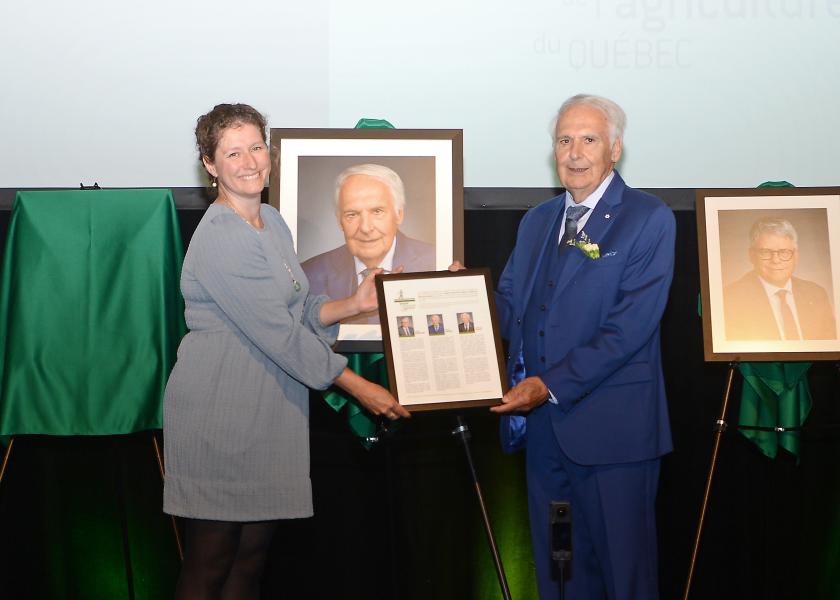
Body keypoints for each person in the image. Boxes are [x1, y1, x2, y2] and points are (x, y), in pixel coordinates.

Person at [163, 103, 409, 600]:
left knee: (249, 563)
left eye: (257, 147)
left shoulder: (271, 221)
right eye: (233, 152)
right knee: (210, 566)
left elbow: (296, 309)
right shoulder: (221, 235)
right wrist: (359, 386)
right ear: (210, 164)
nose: (250, 161)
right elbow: (279, 334)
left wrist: (354, 303)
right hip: (220, 416)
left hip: (269, 412)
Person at [491, 94, 675, 599]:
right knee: (560, 576)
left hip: (615, 436)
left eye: (589, 140)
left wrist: (549, 385)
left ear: (615, 149)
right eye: (564, 140)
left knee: (625, 578)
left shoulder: (649, 218)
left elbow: (629, 328)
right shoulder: (537, 220)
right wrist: (458, 296)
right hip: (544, 435)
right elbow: (511, 308)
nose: (574, 153)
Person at [301, 163, 435, 324]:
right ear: (339, 221)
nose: (365, 228)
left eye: (377, 211)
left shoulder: (436, 262)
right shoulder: (308, 275)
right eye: (352, 214)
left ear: (399, 214)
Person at [723, 217, 836, 340]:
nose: (776, 260)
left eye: (784, 252)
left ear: (796, 256)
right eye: (765, 252)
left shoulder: (817, 294)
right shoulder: (730, 298)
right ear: (751, 255)